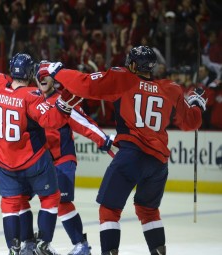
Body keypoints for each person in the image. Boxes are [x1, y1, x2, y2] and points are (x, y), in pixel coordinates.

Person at [36, 46, 207, 255]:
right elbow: (191, 122)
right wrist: (197, 105)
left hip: (131, 156)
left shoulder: (124, 78)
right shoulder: (171, 88)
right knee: (149, 211)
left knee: (109, 210)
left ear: (134, 64)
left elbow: (85, 85)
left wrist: (57, 71)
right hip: (158, 163)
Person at [0, 74, 116, 255]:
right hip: (36, 162)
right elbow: (3, 117)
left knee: (62, 202)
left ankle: (80, 244)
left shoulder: (61, 101)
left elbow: (83, 123)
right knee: (22, 199)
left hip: (60, 159)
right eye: (39, 75)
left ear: (55, 80)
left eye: (46, 76)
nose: (42, 79)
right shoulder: (30, 97)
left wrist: (103, 139)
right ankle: (30, 243)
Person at [0, 47, 82, 255]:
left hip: (5, 162)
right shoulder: (31, 96)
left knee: (11, 204)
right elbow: (52, 120)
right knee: (51, 197)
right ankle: (43, 243)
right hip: (33, 161)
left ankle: (15, 248)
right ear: (30, 73)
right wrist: (67, 102)